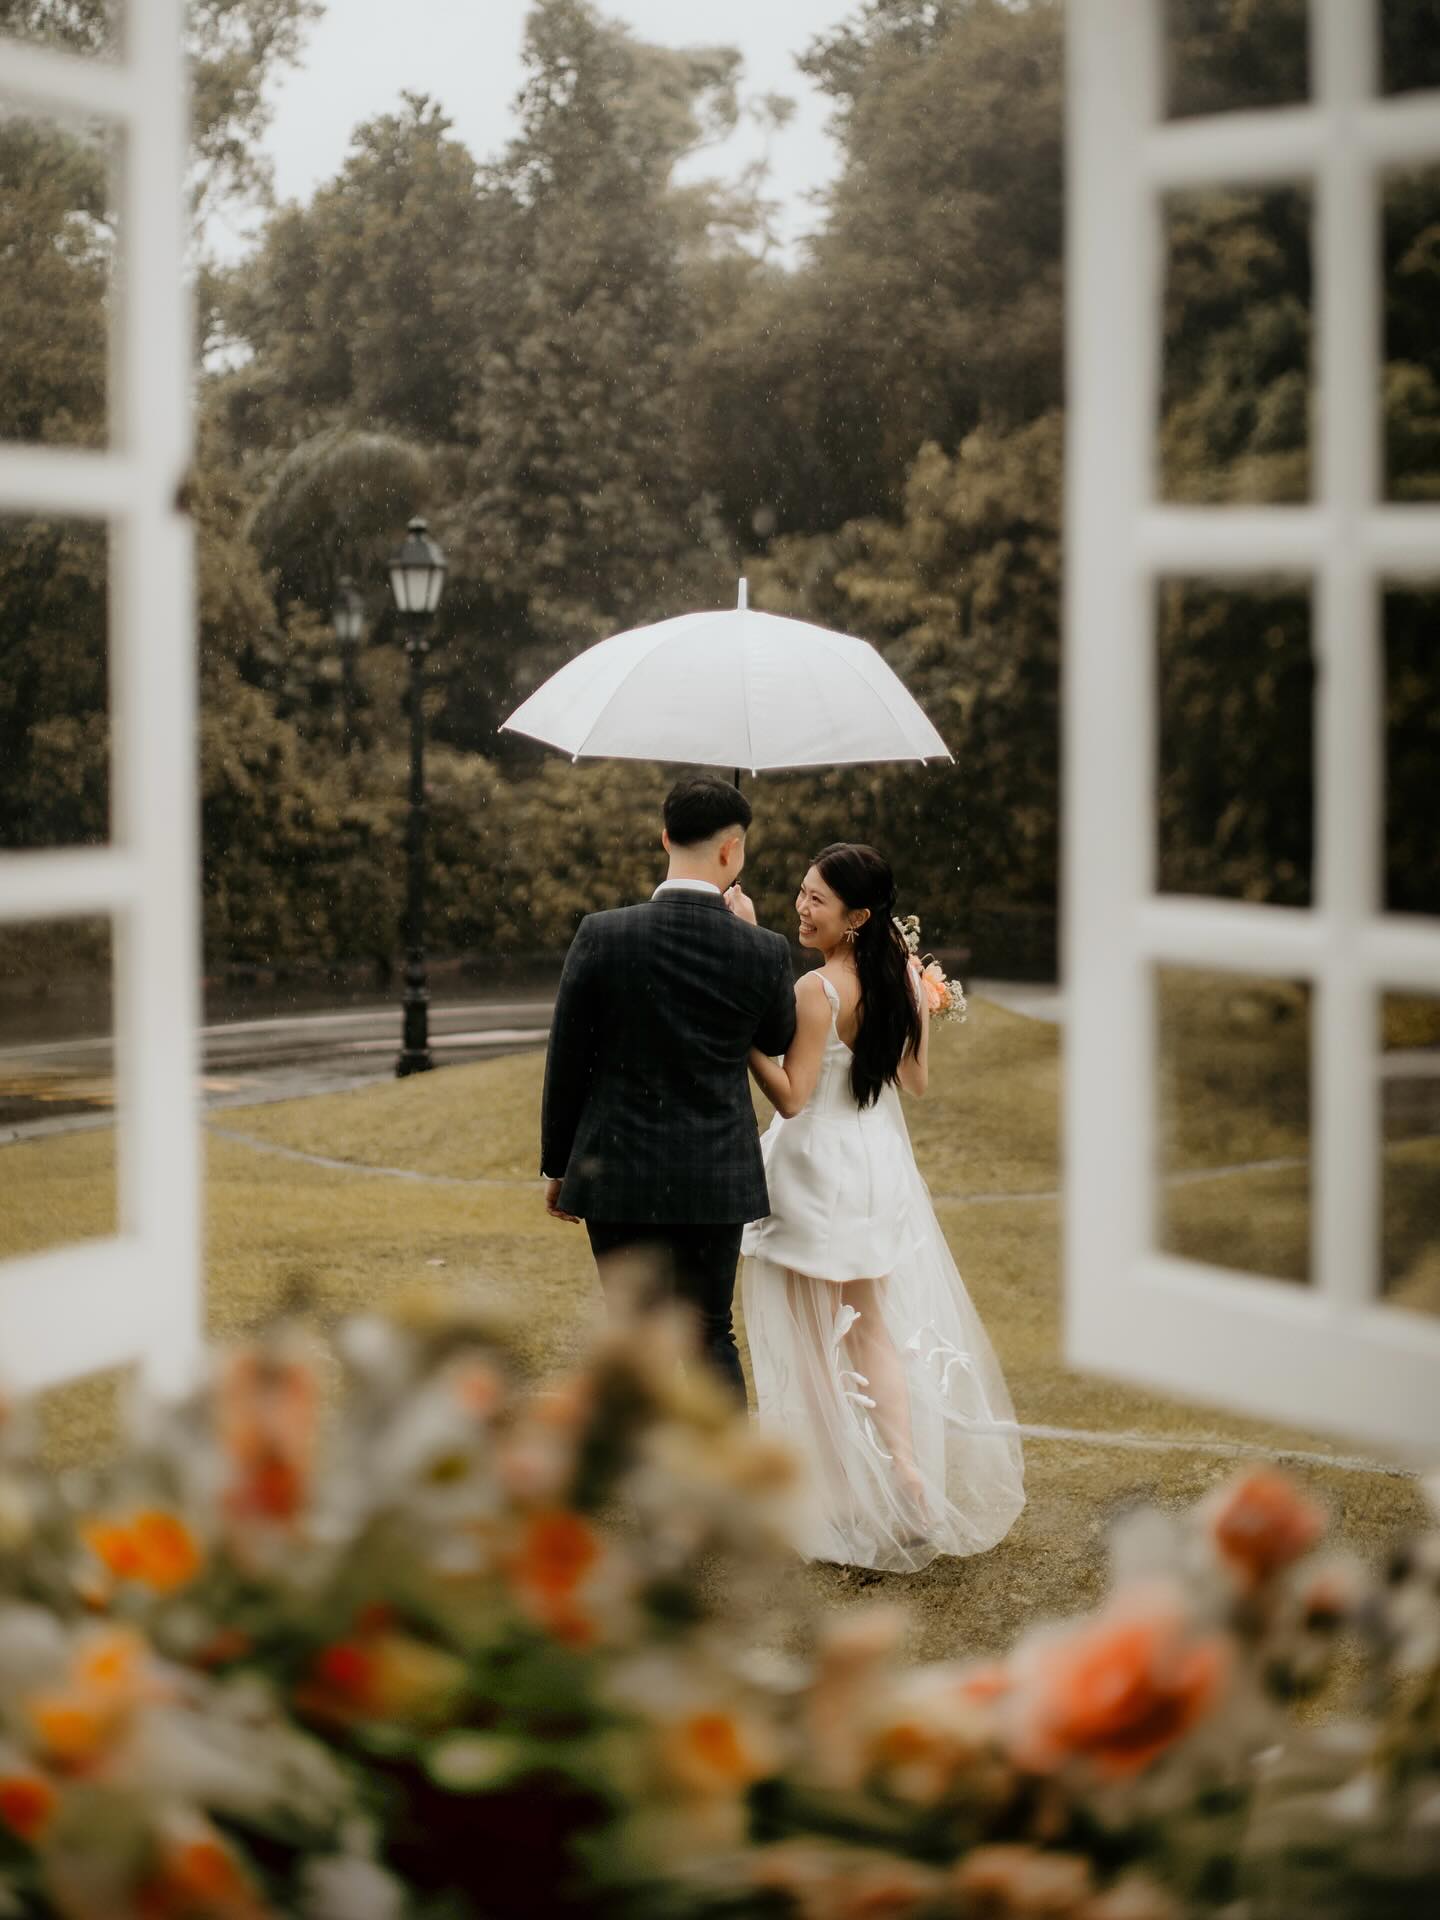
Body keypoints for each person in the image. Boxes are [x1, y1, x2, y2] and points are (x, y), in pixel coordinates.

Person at [742, 843, 1025, 1572]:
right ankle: (904, 1468)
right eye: (802, 893)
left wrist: (745, 1042)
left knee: (812, 1341)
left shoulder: (817, 991)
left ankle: (840, 1496)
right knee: (869, 1331)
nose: (802, 909)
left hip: (814, 1169)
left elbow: (794, 1098)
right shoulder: (896, 977)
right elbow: (917, 1080)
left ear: (857, 916)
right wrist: (918, 995)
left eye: (818, 901)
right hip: (876, 1168)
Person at [540, 775, 797, 1400]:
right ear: (732, 851)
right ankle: (723, 1482)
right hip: (715, 1171)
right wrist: (752, 932)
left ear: (664, 838)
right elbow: (780, 1033)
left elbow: (566, 1057)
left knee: (635, 1332)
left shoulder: (603, 933)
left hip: (618, 1169)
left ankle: (649, 1478)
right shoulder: (762, 951)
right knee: (711, 1331)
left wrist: (558, 1164)